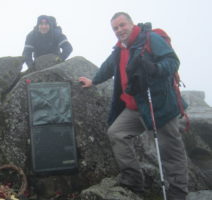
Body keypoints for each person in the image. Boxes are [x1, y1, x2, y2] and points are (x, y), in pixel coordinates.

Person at [79, 12, 188, 200]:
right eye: (115, 28)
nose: (119, 30)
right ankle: (133, 178)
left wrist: (155, 69)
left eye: (122, 25)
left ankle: (177, 192)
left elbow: (172, 61)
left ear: (131, 24)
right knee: (116, 133)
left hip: (159, 105)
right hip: (135, 107)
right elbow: (108, 67)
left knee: (171, 150)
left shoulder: (151, 39)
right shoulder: (120, 48)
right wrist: (93, 81)